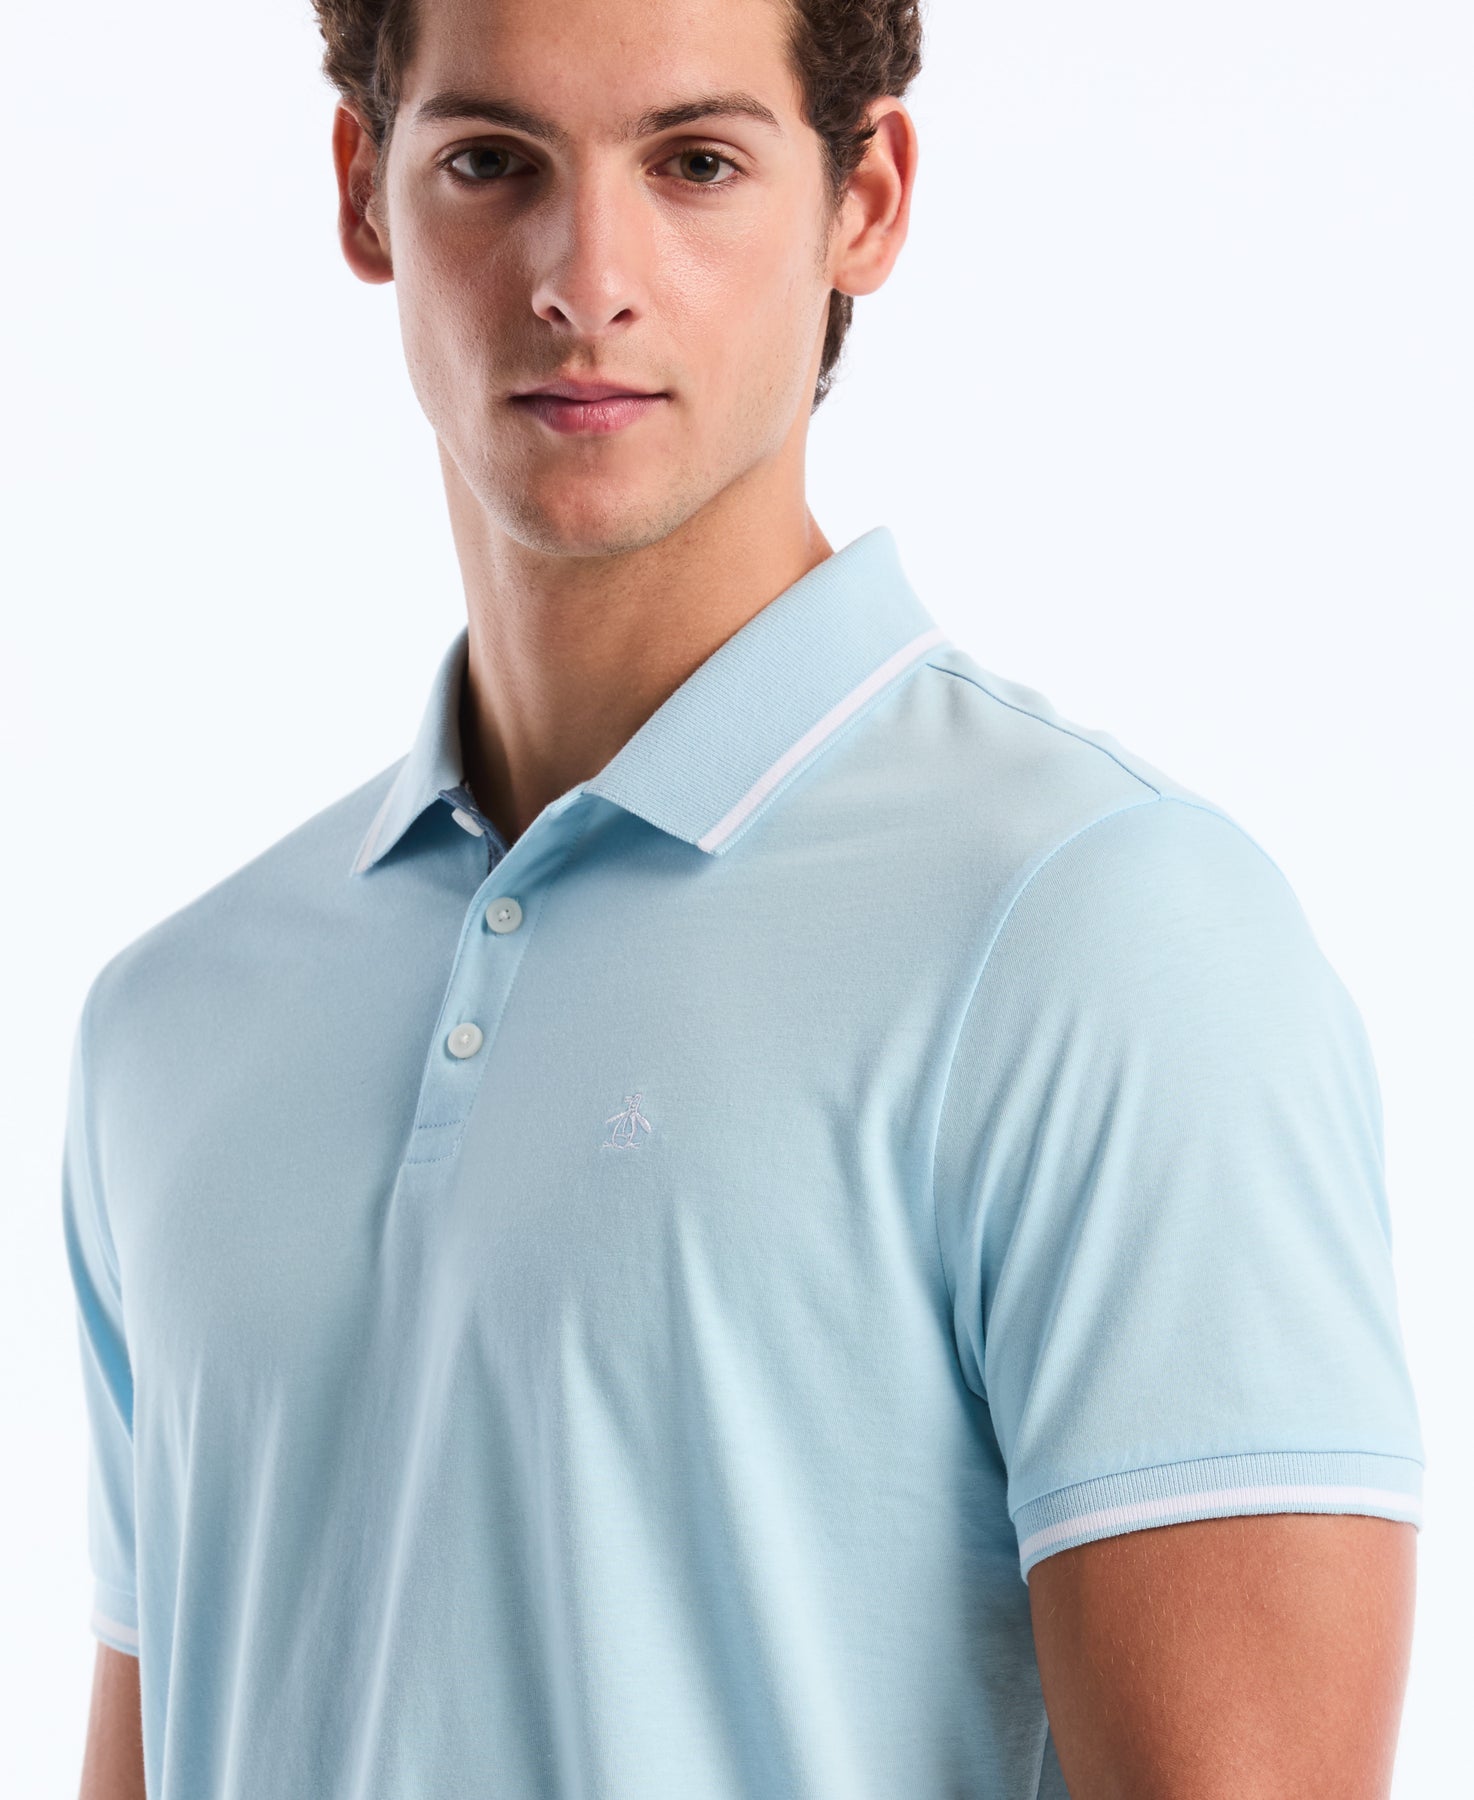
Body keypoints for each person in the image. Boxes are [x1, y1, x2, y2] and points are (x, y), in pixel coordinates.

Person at [62, 0, 1424, 1795]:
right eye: (491, 162)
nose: (584, 280)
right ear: (363, 187)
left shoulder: (1107, 936)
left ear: (865, 199)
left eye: (694, 163)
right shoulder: (173, 1021)